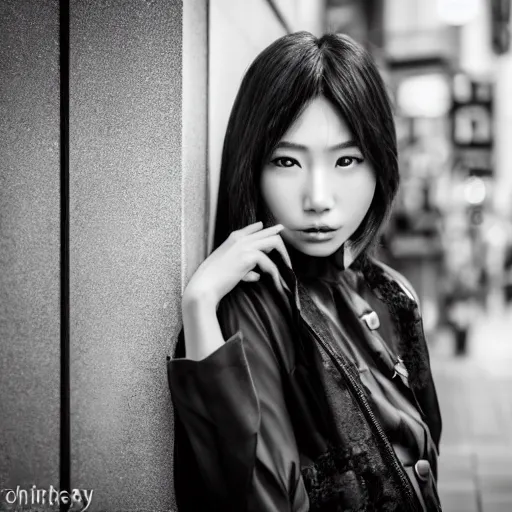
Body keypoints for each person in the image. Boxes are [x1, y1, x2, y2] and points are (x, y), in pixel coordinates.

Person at [167, 31, 442, 511]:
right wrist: (200, 304)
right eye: (288, 160)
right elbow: (261, 497)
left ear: (380, 163)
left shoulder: (390, 293)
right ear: (252, 165)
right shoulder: (250, 306)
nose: (318, 198)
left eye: (347, 160)